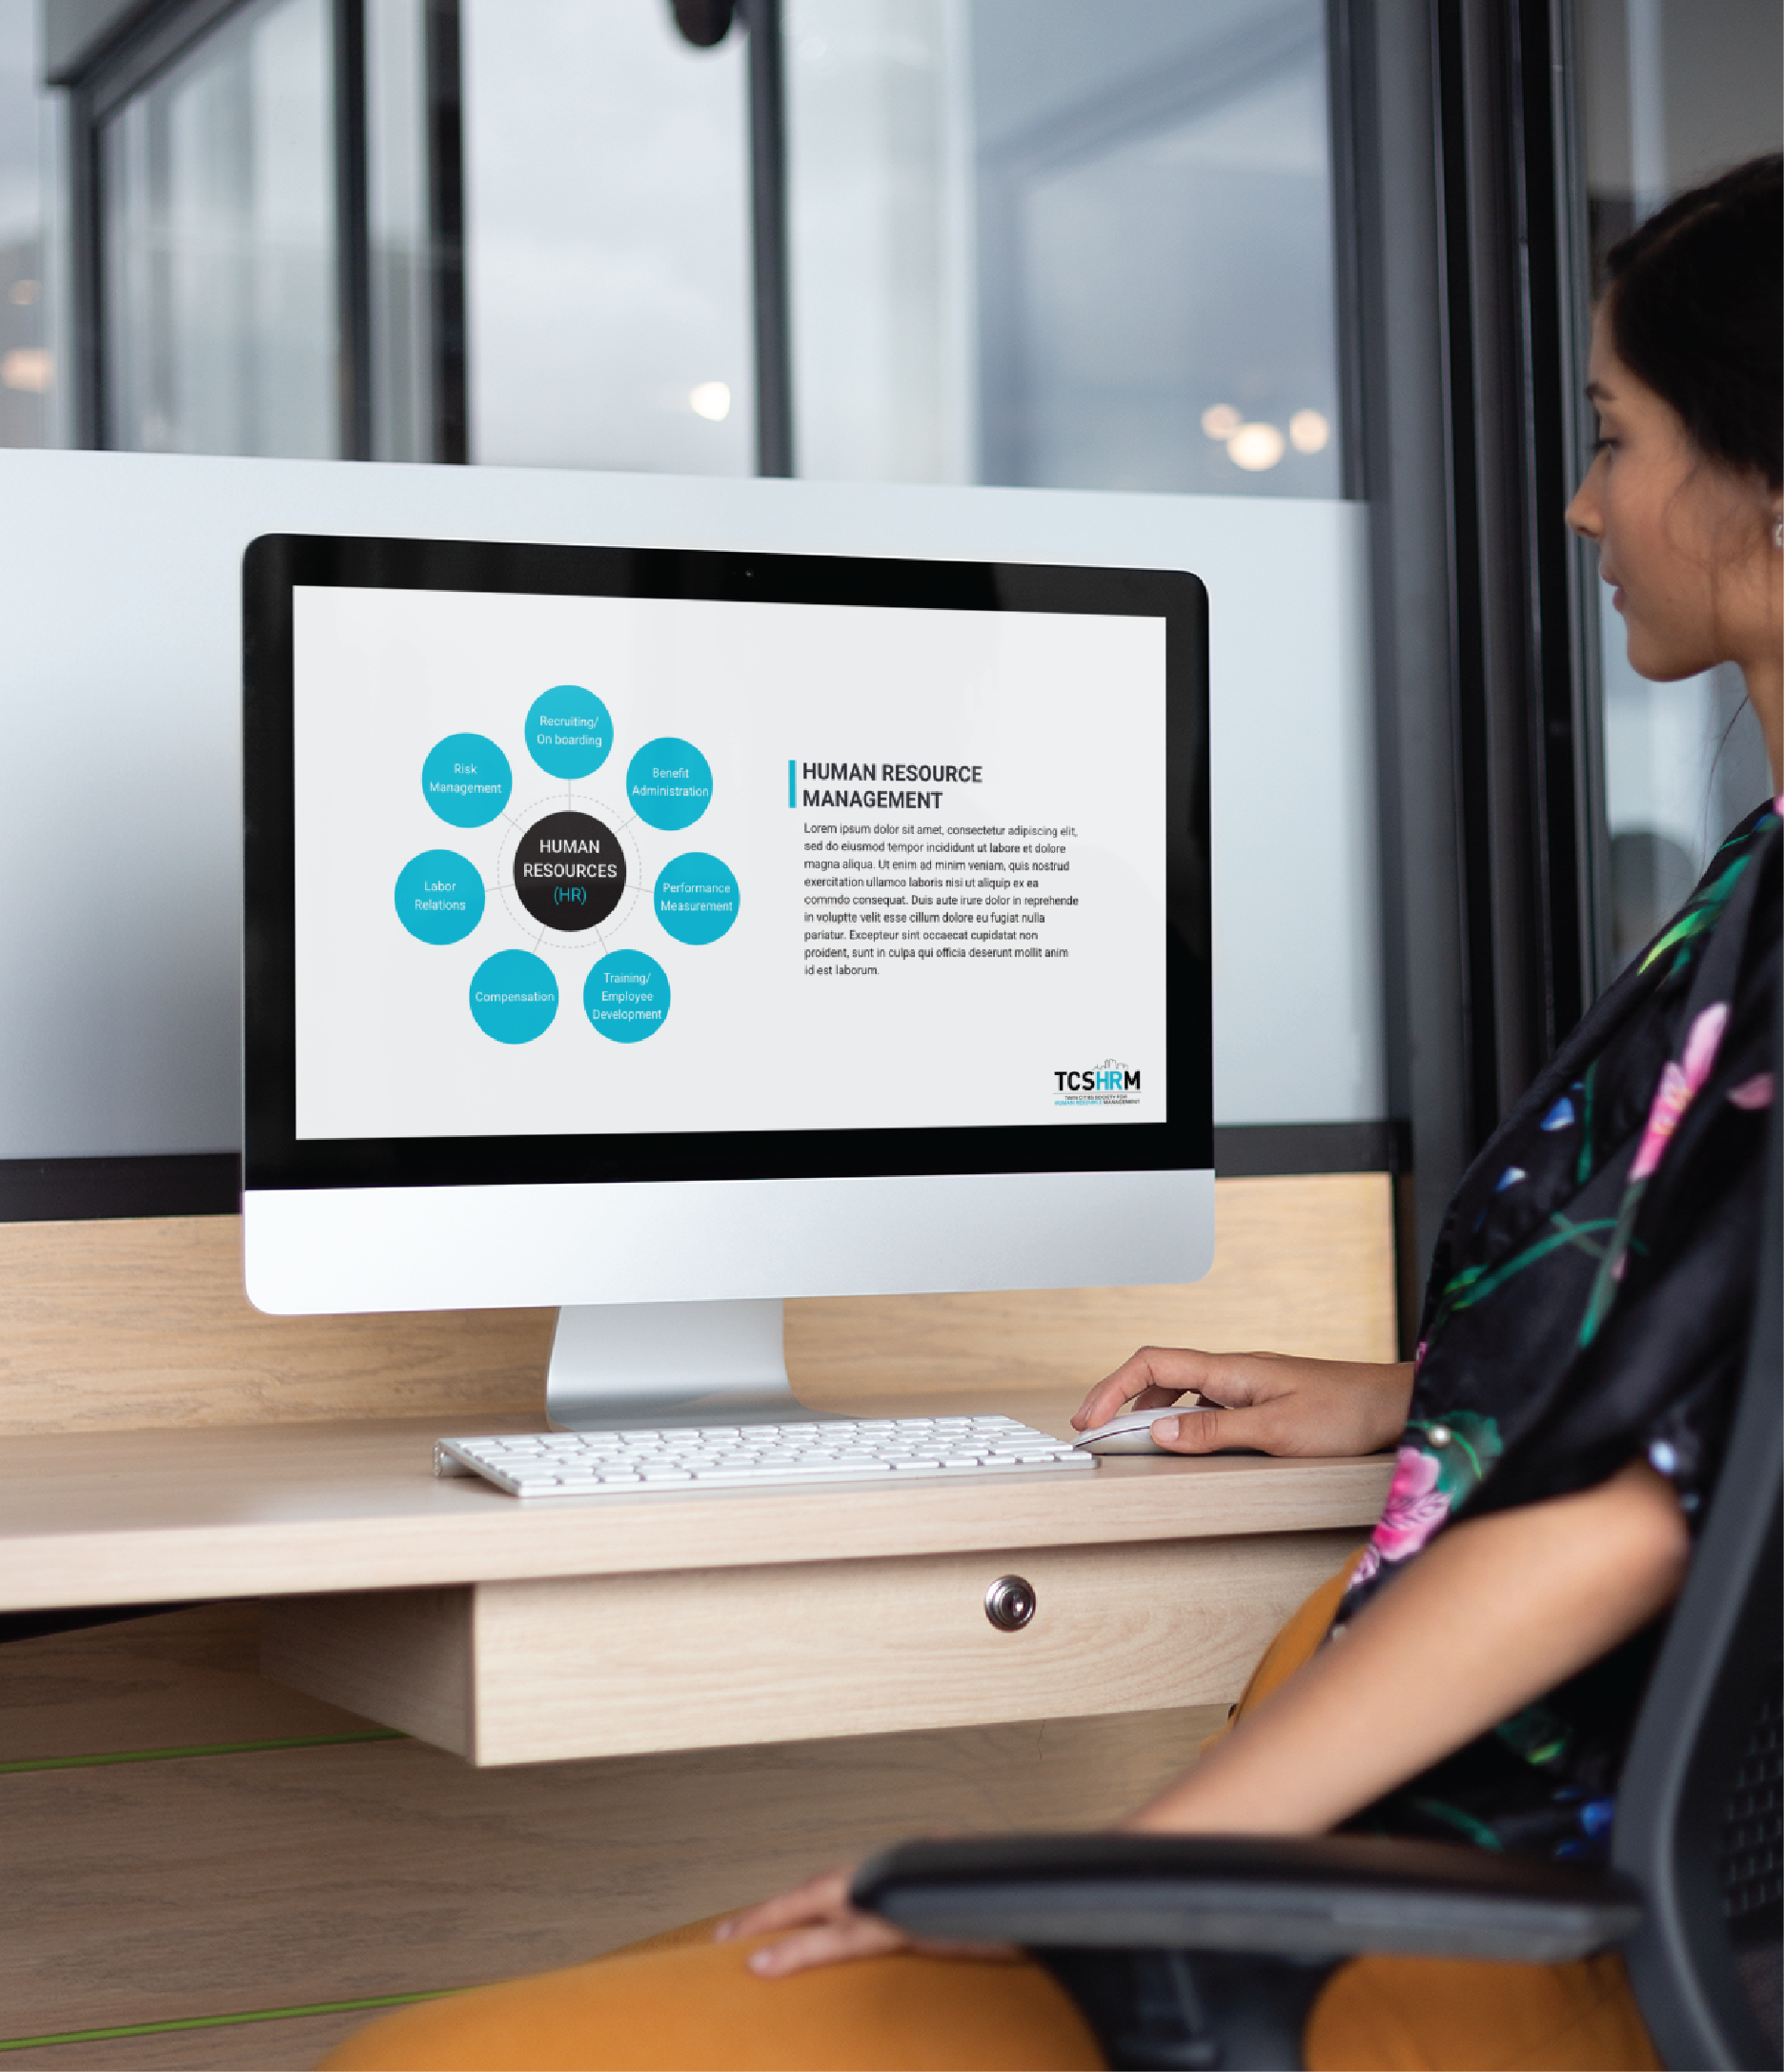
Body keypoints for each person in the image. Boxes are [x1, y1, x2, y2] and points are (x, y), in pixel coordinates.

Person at [327, 154, 1781, 2072]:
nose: (1585, 499)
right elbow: (1719, 1367)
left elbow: (1632, 1520)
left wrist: (1109, 1869)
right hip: (1468, 1874)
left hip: (1483, 1920)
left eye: (1614, 434)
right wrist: (1414, 1390)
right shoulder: (1748, 886)